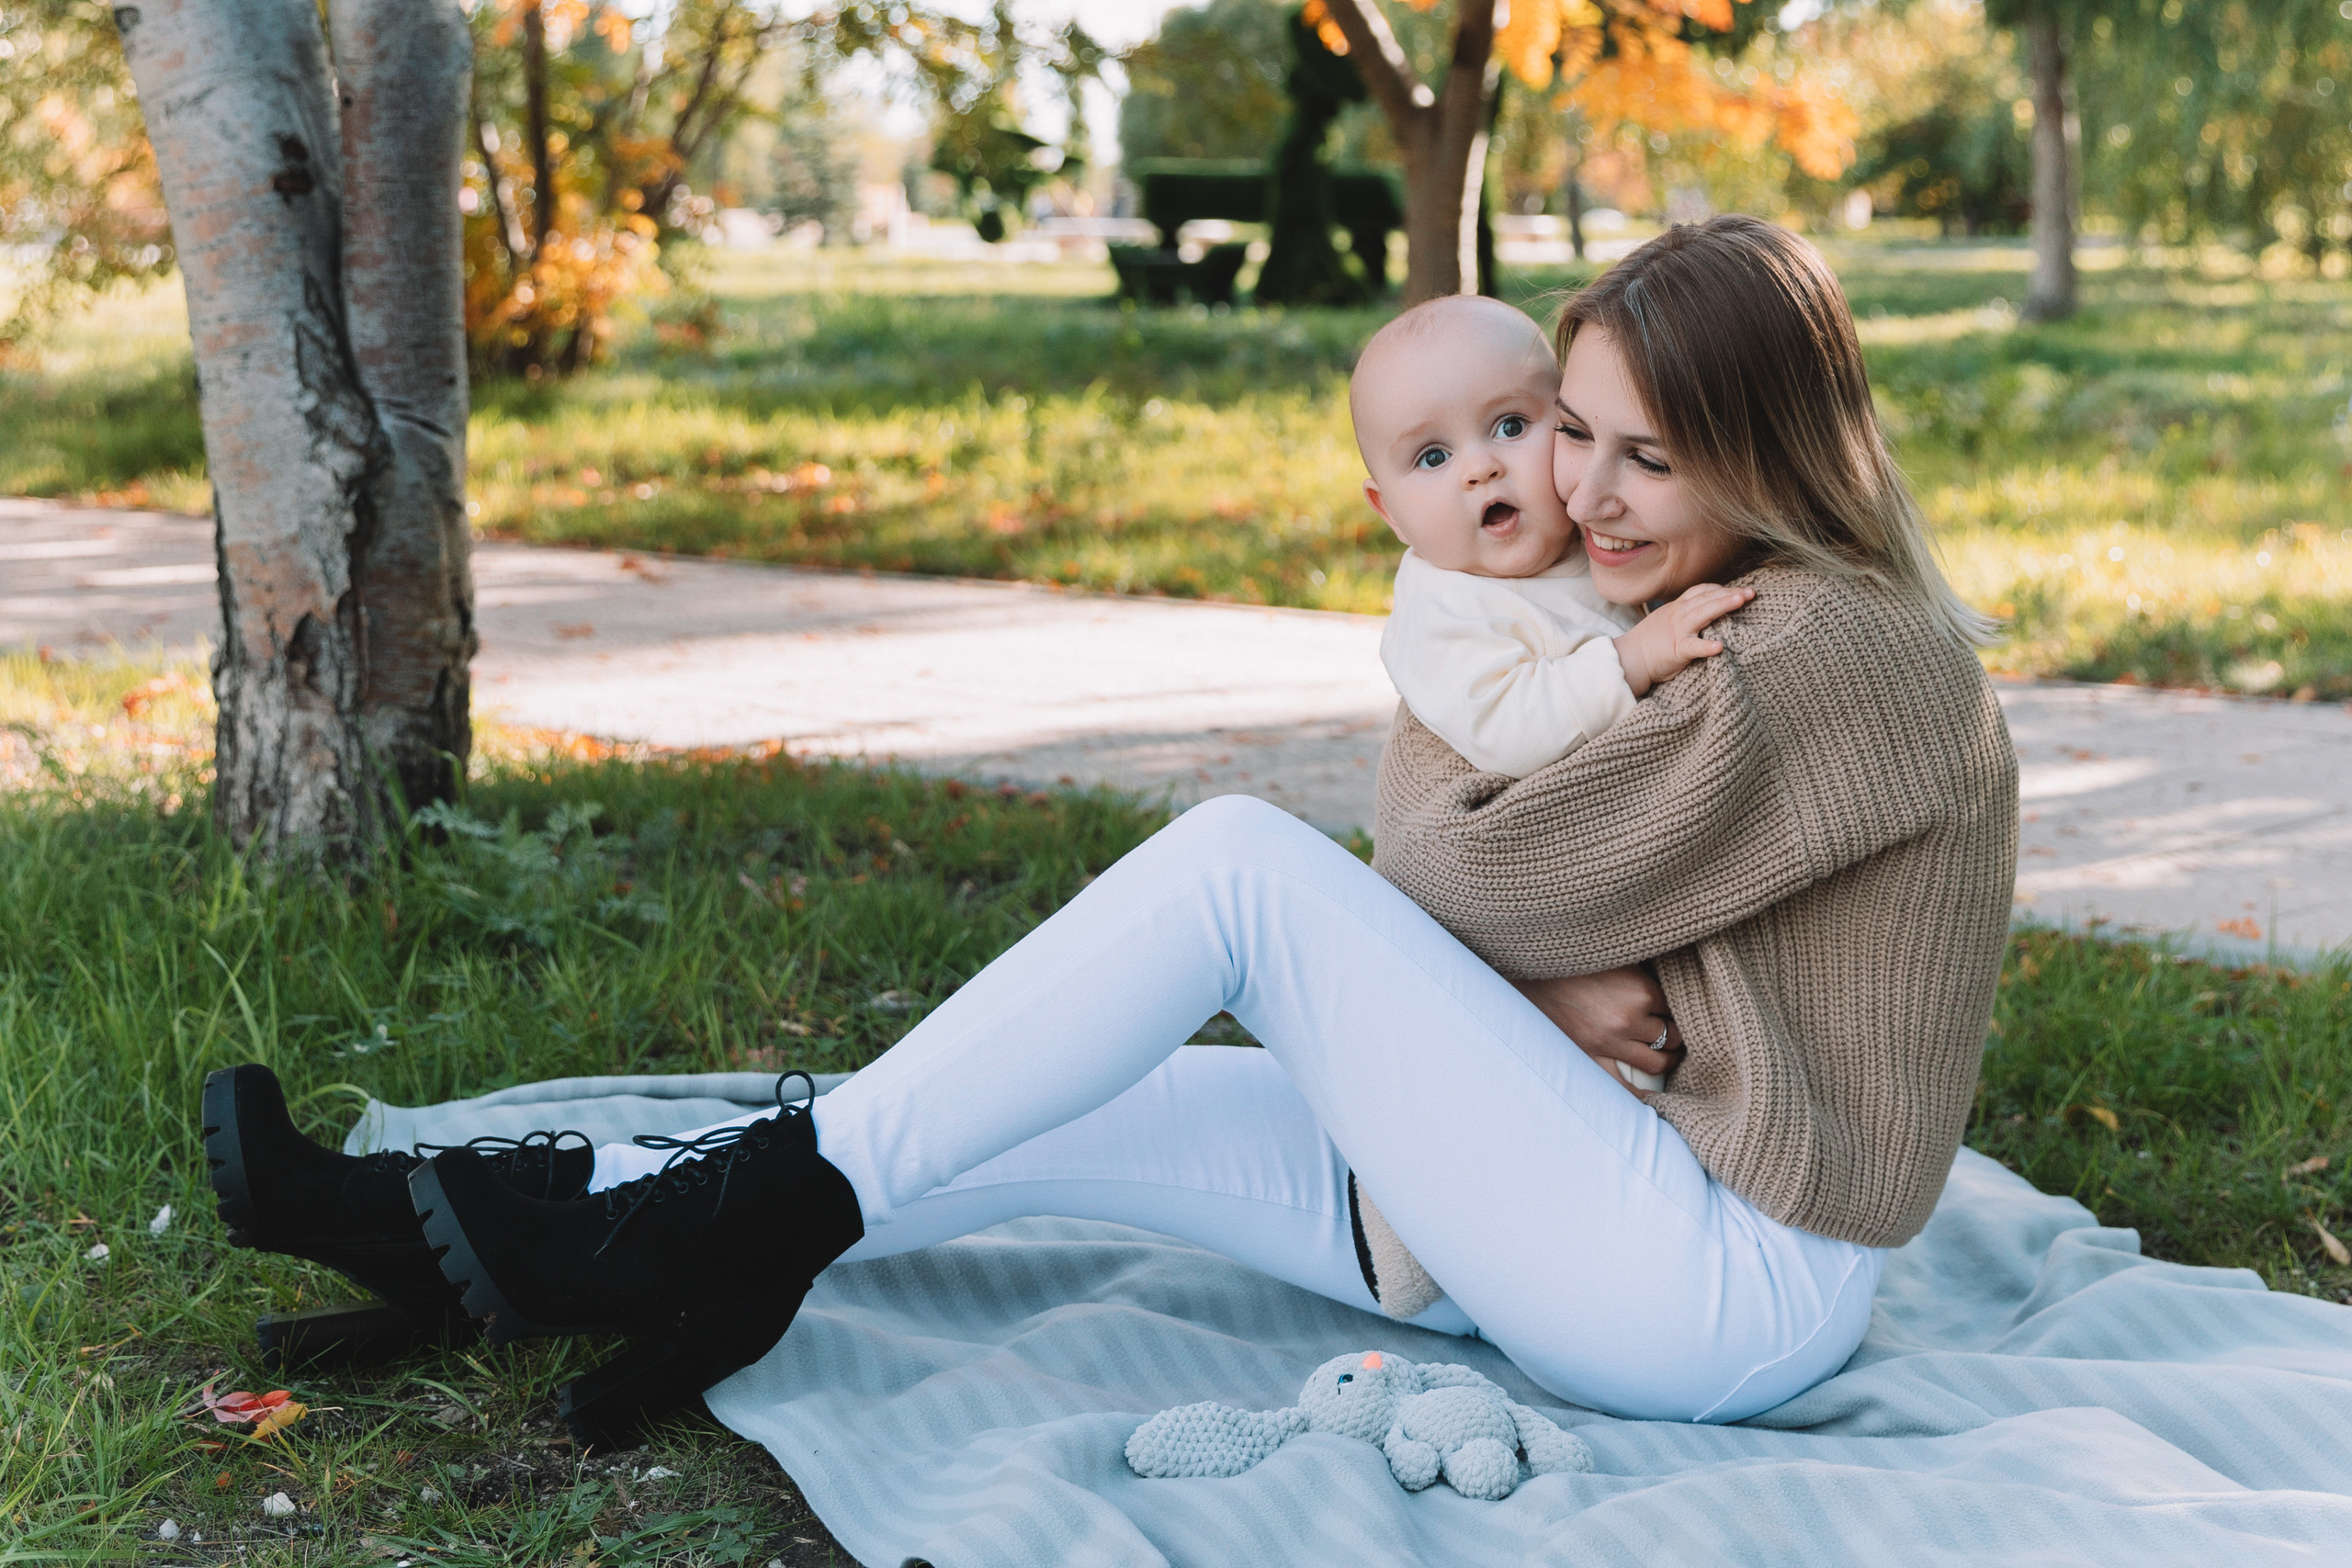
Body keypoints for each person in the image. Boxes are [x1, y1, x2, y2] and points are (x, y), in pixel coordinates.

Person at [205, 215, 2017, 1444]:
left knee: (1238, 871)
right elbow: (1452, 830)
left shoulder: (1827, 653)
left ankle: (666, 1235)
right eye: (1579, 436)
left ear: (1770, 450)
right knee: (1004, 1106)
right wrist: (1519, 1008)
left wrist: (1497, 974)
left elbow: (1452, 869)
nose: (1579, 495)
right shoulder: (1677, 615)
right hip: (1572, 1180)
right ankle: (497, 1236)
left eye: (1647, 456)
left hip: (1711, 1276)